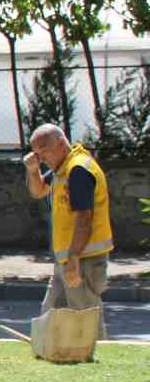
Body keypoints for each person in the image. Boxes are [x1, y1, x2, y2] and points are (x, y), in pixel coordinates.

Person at [24, 123, 113, 335]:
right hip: (68, 258)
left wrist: (73, 258)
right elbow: (38, 191)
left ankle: (97, 359)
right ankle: (51, 354)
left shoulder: (78, 170)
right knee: (50, 314)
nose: (41, 157)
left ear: (62, 143)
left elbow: (84, 219)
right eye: (37, 153)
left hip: (83, 259)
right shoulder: (61, 170)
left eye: (44, 150)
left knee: (85, 318)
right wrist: (33, 170)